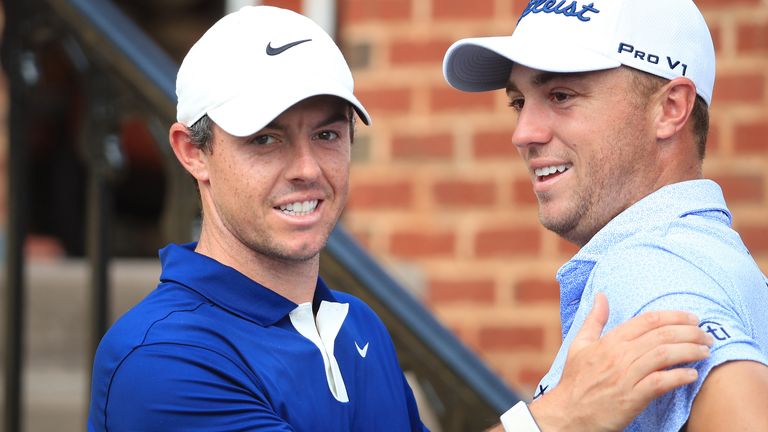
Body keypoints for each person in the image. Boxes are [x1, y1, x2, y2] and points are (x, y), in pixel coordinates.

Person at [88, 5, 714, 432]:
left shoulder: (357, 328)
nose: (308, 168)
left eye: (328, 134)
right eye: (266, 140)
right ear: (192, 151)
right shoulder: (162, 360)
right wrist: (557, 418)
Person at [443, 0, 768, 430]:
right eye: (519, 102)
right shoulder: (704, 255)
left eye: (561, 96)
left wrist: (555, 419)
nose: (523, 133)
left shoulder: (655, 271)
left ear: (671, 108)